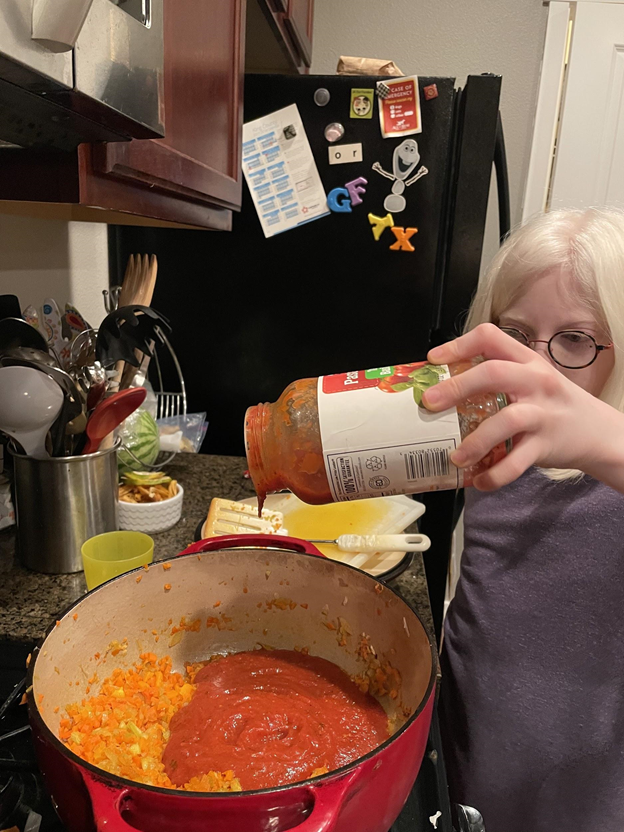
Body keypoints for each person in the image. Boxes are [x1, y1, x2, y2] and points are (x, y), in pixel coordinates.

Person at [421, 207, 624, 832]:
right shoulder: (492, 432)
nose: (536, 367)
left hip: (573, 791)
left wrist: (606, 443)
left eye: (575, 340)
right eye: (514, 334)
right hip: (465, 738)